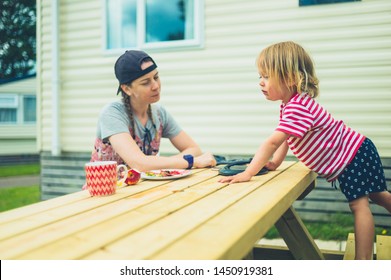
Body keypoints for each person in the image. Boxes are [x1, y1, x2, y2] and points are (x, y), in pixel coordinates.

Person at [219, 41, 391, 260]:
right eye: (259, 77)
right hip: (357, 151)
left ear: (290, 78)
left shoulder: (298, 107)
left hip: (354, 156)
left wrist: (248, 172)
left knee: (360, 205)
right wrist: (275, 163)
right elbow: (287, 138)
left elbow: (273, 141)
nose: (260, 82)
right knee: (379, 195)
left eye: (266, 76)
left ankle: (362, 262)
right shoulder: (290, 105)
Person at [88, 50, 216, 172]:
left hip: (144, 191)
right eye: (145, 82)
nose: (155, 86)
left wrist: (158, 164)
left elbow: (194, 149)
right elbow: (140, 164)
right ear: (127, 89)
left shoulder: (159, 113)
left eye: (156, 77)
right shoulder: (112, 114)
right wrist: (191, 162)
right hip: (107, 193)